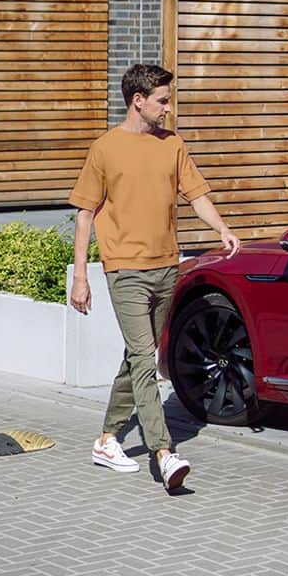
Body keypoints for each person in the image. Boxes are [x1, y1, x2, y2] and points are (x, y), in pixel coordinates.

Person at [69, 63, 240, 493]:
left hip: (166, 265)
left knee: (137, 356)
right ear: (138, 100)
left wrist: (221, 228)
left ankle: (107, 439)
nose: (168, 108)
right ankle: (164, 454)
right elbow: (85, 214)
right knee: (147, 362)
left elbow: (196, 194)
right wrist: (80, 277)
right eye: (162, 100)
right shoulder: (105, 148)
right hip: (124, 268)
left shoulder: (173, 146)